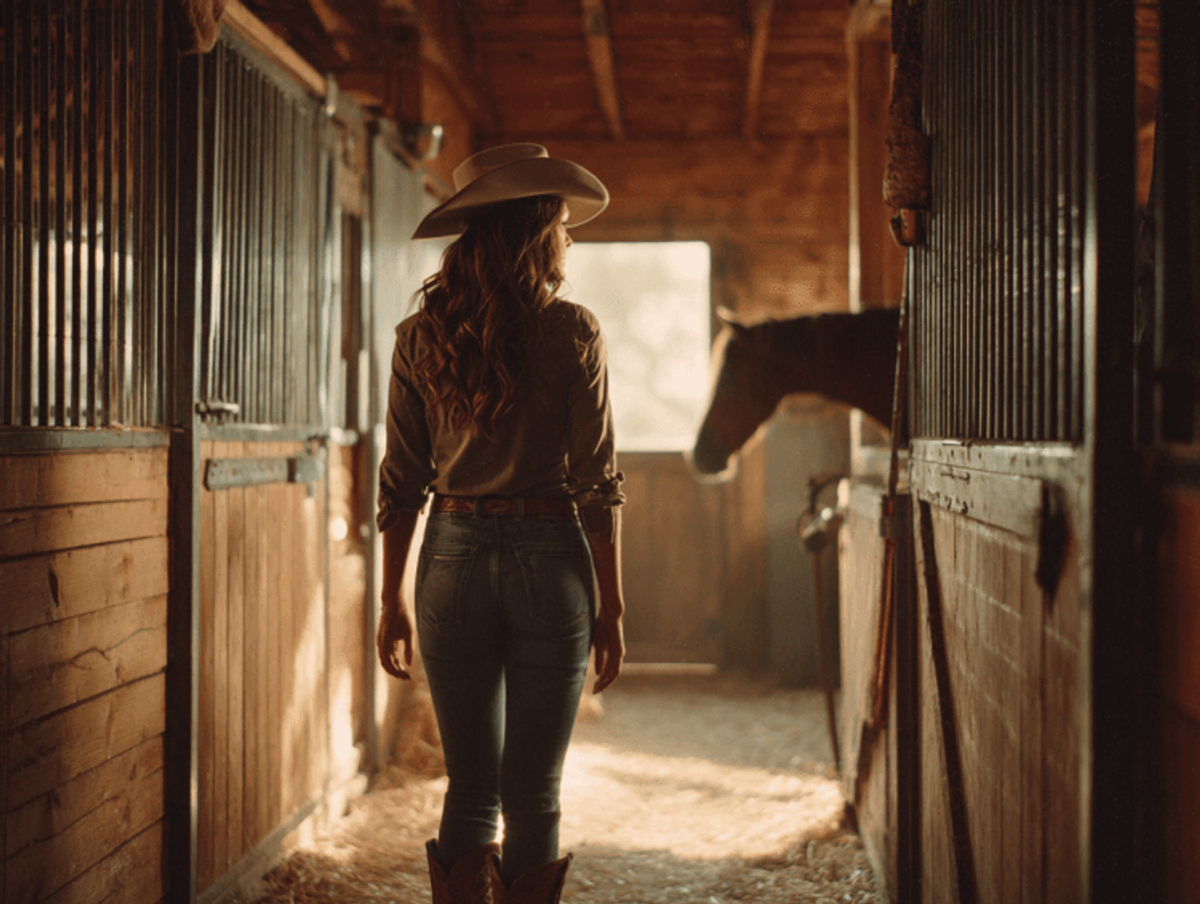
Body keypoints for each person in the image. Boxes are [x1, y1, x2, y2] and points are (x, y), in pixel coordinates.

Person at [375, 143, 626, 904]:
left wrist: (390, 597)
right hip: (551, 558)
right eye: (559, 223)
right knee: (533, 795)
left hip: (449, 556)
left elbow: (400, 482)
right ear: (535, 229)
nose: (568, 238)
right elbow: (597, 484)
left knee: (471, 788)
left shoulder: (419, 337)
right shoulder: (573, 331)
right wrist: (611, 603)